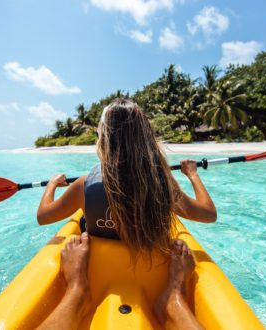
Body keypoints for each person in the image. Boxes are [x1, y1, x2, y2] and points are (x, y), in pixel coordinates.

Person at [36, 98, 216, 329]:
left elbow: (43, 217)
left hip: (98, 267)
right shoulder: (163, 185)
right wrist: (192, 175)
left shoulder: (83, 186)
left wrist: (52, 184)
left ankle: (78, 292)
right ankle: (172, 300)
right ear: (146, 137)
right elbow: (208, 214)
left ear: (104, 139)